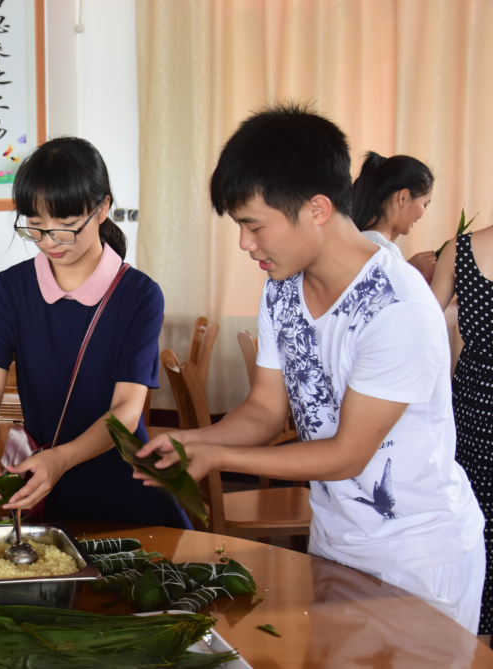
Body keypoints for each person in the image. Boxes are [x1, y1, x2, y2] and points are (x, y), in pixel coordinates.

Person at [136, 103, 485, 633]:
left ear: (317, 208)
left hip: (417, 557)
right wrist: (194, 444)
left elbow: (347, 455)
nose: (245, 244)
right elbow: (264, 408)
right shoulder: (282, 288)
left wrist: (216, 455)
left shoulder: (397, 307)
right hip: (335, 542)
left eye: (254, 226)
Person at [0, 136, 188, 528]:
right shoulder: (11, 289)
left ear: (102, 209)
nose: (49, 242)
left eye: (65, 227)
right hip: (45, 488)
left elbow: (126, 412)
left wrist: (62, 459)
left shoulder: (139, 295)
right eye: (35, 227)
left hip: (124, 487)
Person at [431, 224, 493, 644]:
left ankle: (475, 639)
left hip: (473, 406)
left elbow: (423, 330)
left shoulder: (461, 250)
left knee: (477, 525)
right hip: (473, 410)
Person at [352, 151, 436, 282]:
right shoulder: (385, 252)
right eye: (424, 204)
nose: (422, 214)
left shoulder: (355, 241)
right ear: (404, 197)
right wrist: (410, 272)